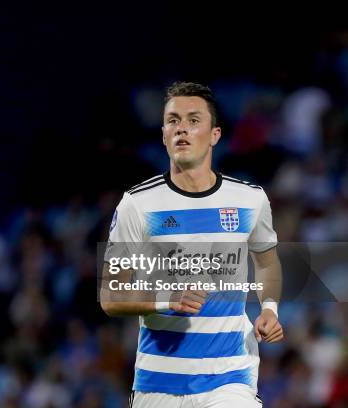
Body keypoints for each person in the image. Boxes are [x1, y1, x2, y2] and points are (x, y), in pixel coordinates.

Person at [100, 82, 284, 407]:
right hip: (158, 383)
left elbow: (267, 262)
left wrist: (269, 309)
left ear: (215, 134)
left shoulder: (250, 200)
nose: (181, 128)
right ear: (163, 135)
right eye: (173, 121)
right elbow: (111, 295)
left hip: (230, 378)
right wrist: (165, 299)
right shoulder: (136, 205)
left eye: (193, 120)